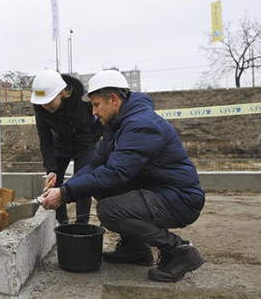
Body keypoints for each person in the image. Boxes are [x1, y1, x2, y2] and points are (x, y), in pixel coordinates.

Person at [41, 69, 205, 282]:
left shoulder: (141, 125)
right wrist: (64, 188)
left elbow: (115, 173)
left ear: (114, 99)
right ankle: (136, 249)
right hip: (158, 191)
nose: (93, 112)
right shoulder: (116, 124)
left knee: (109, 211)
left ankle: (179, 249)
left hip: (180, 199)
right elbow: (95, 164)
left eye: (97, 104)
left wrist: (65, 194)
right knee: (100, 188)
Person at [31, 70, 103, 225]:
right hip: (61, 142)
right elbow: (45, 139)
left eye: (49, 102)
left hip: (85, 141)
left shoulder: (83, 99)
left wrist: (92, 137)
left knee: (83, 181)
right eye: (42, 103)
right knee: (55, 181)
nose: (45, 106)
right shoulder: (40, 107)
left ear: (62, 93)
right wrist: (51, 169)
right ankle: (62, 221)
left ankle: (82, 223)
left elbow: (103, 117)